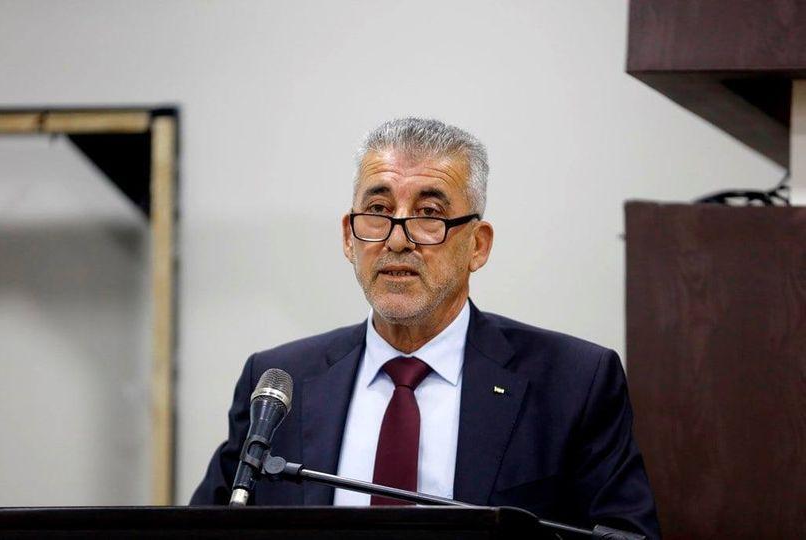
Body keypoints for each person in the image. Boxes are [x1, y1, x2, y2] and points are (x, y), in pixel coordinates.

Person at [190, 118, 660, 538]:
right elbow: (200, 534)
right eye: (378, 210)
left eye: (429, 215)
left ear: (478, 245)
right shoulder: (278, 383)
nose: (397, 239)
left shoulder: (573, 383)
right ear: (349, 238)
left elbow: (625, 538)